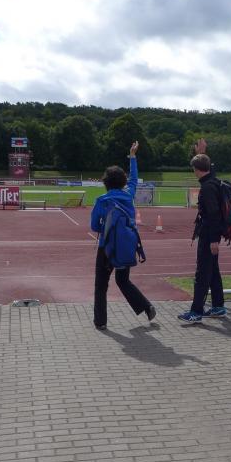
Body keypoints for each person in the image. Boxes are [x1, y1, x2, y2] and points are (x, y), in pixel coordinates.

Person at [90, 141, 156, 330]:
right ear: (123, 182)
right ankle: (146, 307)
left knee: (101, 285)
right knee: (123, 280)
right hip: (126, 245)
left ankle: (100, 322)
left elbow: (94, 226)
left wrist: (105, 226)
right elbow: (134, 179)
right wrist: (132, 156)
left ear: (105, 182)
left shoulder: (102, 201)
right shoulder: (128, 195)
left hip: (106, 248)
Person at [178, 139, 226, 324]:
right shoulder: (213, 181)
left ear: (196, 170)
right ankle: (218, 306)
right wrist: (202, 154)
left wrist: (213, 240)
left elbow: (213, 215)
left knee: (202, 273)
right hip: (211, 234)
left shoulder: (207, 188)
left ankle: (196, 311)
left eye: (194, 168)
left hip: (208, 235)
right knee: (213, 270)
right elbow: (208, 168)